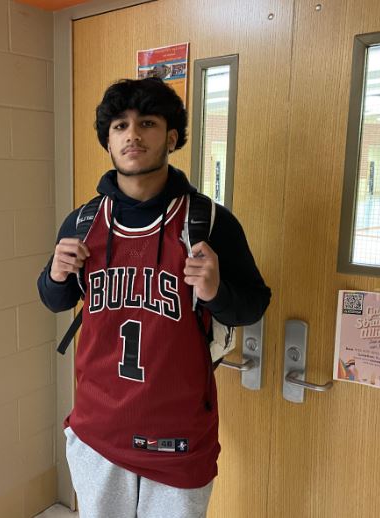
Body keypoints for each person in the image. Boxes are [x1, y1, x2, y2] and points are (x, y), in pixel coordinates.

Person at [37, 77, 270, 518]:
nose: (133, 135)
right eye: (120, 126)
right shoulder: (83, 221)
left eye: (147, 122)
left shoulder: (210, 222)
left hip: (178, 437)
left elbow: (254, 304)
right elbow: (55, 299)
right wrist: (54, 274)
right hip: (98, 432)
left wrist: (216, 291)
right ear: (108, 141)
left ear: (172, 136)